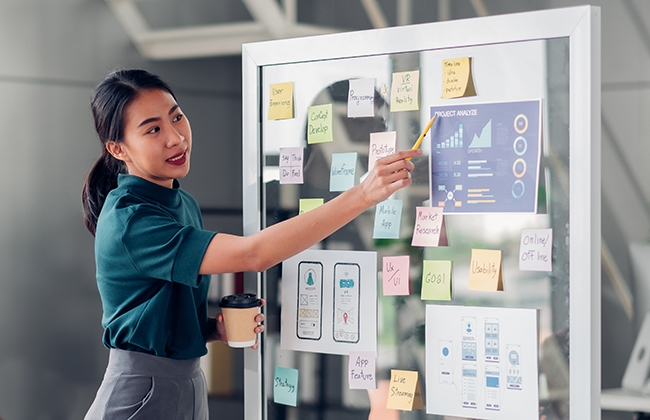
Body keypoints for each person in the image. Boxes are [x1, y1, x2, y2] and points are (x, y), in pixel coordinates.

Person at [81, 68, 420, 419]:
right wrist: (363, 194)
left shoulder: (181, 203)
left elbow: (157, 311)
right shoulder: (131, 220)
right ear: (117, 148)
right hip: (141, 391)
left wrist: (212, 329)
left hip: (188, 383)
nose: (176, 138)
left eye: (177, 117)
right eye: (153, 129)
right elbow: (253, 254)